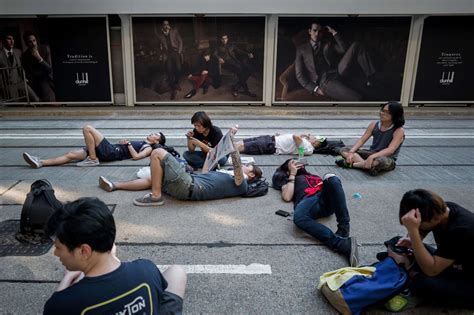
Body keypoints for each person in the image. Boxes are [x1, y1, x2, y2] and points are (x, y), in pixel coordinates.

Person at [43, 197, 187, 314]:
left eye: (58, 247)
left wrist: (67, 278)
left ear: (84, 251)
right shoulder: (147, 269)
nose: (56, 253)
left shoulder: (63, 304)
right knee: (176, 272)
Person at [387, 189, 474, 311]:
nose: (417, 227)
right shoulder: (439, 210)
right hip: (454, 263)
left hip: (469, 282)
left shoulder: (461, 230)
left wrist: (413, 231)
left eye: (418, 223)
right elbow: (421, 232)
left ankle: (406, 270)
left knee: (423, 283)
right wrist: (410, 240)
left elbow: (432, 271)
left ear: (432, 219)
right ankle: (404, 266)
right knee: (396, 242)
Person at [132, 127, 262, 206]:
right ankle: (115, 185)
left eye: (248, 166)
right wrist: (216, 148)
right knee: (157, 171)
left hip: (188, 185)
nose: (245, 165)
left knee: (157, 152)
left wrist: (232, 144)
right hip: (188, 185)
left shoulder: (243, 183)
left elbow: (238, 167)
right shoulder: (228, 176)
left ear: (251, 174)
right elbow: (205, 171)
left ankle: (155, 196)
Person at [272, 159, 359, 267]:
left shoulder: (312, 175)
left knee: (332, 178)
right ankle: (341, 244)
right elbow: (287, 196)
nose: (298, 162)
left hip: (325, 197)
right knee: (299, 217)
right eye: (293, 162)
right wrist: (292, 174)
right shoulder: (289, 179)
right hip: (309, 200)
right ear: (287, 169)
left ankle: (344, 230)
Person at [295, 21, 376, 101]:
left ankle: (371, 78)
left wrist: (334, 32)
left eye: (320, 31)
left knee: (356, 46)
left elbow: (343, 49)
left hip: (337, 71)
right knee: (358, 98)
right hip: (325, 81)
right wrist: (315, 89)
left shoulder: (327, 43)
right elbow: (299, 75)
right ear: (310, 31)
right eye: (314, 30)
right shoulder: (301, 49)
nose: (317, 34)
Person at [22, 125, 165, 168]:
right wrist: (127, 144)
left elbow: (136, 157)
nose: (152, 133)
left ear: (157, 141)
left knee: (87, 129)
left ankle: (92, 158)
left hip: (111, 152)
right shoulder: (144, 143)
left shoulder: (148, 148)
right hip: (108, 150)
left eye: (155, 134)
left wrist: (128, 144)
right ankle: (40, 162)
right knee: (71, 155)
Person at [335, 101, 405, 176]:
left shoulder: (399, 130)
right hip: (371, 153)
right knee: (344, 150)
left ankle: (352, 165)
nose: (382, 113)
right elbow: (362, 140)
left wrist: (372, 157)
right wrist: (351, 152)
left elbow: (390, 150)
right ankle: (367, 166)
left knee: (380, 161)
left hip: (386, 158)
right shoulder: (374, 124)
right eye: (382, 110)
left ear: (395, 115)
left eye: (386, 112)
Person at [0, 31, 39, 102]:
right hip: (9, 85)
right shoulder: (0, 55)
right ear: (3, 40)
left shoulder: (18, 52)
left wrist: (25, 77)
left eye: (13, 39)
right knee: (16, 104)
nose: (12, 41)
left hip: (20, 81)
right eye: (9, 39)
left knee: (36, 99)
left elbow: (25, 65)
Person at [214, 33, 256, 98]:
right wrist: (219, 58)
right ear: (221, 40)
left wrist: (247, 54)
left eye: (225, 38)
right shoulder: (218, 47)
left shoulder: (232, 45)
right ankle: (246, 91)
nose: (224, 40)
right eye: (223, 39)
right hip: (226, 63)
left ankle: (236, 87)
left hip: (235, 61)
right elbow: (214, 54)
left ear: (227, 39)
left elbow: (239, 51)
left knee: (250, 69)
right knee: (239, 69)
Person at [21, 30, 55, 102]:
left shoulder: (44, 49)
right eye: (30, 42)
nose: (33, 44)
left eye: (34, 40)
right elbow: (30, 74)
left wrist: (39, 58)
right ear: (26, 43)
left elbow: (50, 69)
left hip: (51, 78)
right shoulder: (24, 56)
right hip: (39, 83)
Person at [156, 20, 183, 100]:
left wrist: (179, 52)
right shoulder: (160, 35)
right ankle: (173, 90)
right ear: (162, 26)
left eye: (167, 24)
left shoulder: (174, 31)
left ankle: (177, 83)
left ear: (169, 25)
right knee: (169, 71)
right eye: (164, 24)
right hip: (167, 55)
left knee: (178, 69)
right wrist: (161, 54)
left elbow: (180, 41)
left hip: (175, 52)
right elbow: (159, 46)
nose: (166, 26)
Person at [234, 133, 326, 155]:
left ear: (316, 142)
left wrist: (304, 135)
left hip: (271, 145)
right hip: (270, 139)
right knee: (241, 142)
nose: (312, 135)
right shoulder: (306, 144)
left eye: (314, 137)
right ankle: (222, 148)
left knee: (242, 147)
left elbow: (295, 137)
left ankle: (222, 152)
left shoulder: (309, 148)